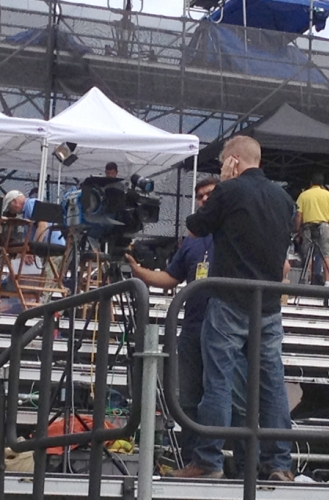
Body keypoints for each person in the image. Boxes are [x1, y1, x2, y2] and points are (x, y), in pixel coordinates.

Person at [172, 135, 295, 481]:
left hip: (228, 298)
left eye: (225, 161)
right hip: (268, 303)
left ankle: (208, 460)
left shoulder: (229, 190)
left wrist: (226, 185)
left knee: (219, 383)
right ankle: (279, 464)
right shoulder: (284, 198)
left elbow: (196, 228)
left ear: (235, 161)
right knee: (272, 385)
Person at [125, 177, 242, 463]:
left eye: (210, 195)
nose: (203, 200)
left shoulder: (237, 232)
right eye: (199, 196)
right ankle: (194, 460)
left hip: (230, 326)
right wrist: (136, 269)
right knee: (189, 398)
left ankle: (240, 463)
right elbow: (168, 278)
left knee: (235, 397)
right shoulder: (192, 239)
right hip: (193, 326)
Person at [294, 172, 329, 287]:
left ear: (310, 183)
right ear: (322, 183)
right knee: (326, 255)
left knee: (308, 255)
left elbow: (299, 215)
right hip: (324, 226)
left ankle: (307, 281)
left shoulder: (304, 195)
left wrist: (297, 229)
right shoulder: (328, 195)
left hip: (308, 227)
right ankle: (327, 282)